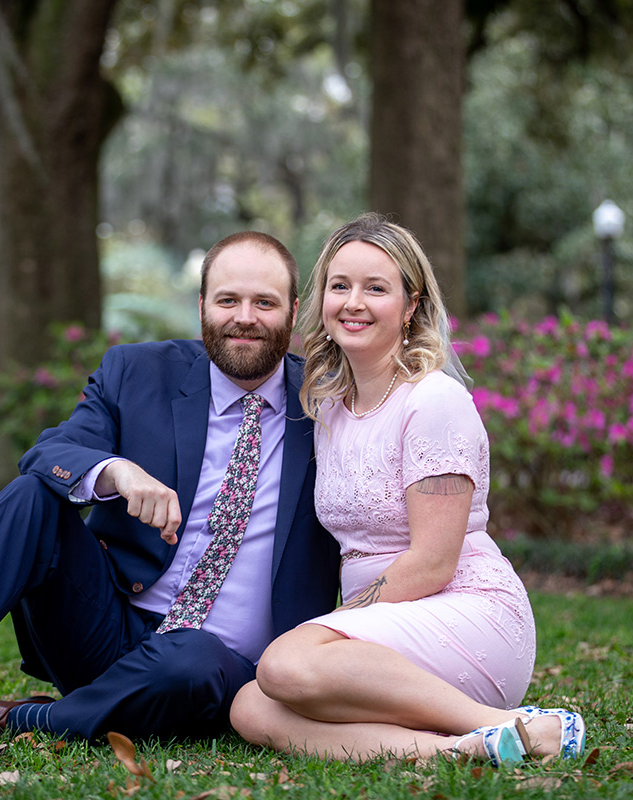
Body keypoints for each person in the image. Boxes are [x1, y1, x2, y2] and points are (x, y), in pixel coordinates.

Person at [0, 231, 341, 761]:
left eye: (264, 302)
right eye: (228, 299)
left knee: (192, 658)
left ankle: (7, 717)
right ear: (201, 306)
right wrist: (117, 471)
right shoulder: (138, 372)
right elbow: (53, 450)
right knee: (32, 496)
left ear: (295, 312)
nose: (244, 317)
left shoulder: (331, 407)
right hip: (106, 630)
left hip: (223, 669)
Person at [229, 213, 587, 765]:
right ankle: (462, 750)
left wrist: (335, 627)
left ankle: (514, 722)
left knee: (285, 665)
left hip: (464, 613)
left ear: (411, 304)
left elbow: (434, 563)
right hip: (382, 639)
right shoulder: (329, 408)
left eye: (377, 288)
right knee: (251, 707)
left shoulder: (432, 400)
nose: (354, 302)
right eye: (340, 285)